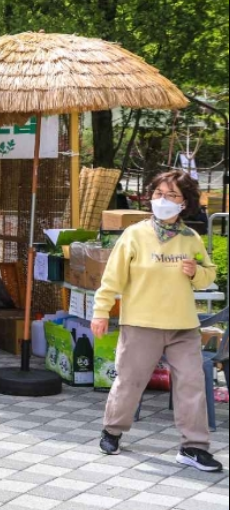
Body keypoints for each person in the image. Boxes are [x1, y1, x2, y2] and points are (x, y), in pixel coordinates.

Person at [93, 170, 221, 473]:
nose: (163, 200)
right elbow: (112, 277)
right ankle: (112, 430)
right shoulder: (135, 234)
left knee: (191, 384)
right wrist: (101, 311)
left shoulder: (191, 238)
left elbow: (208, 274)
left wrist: (196, 273)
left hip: (183, 326)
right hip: (141, 323)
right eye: (158, 194)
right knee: (130, 381)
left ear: (185, 203)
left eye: (172, 195)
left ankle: (193, 447)